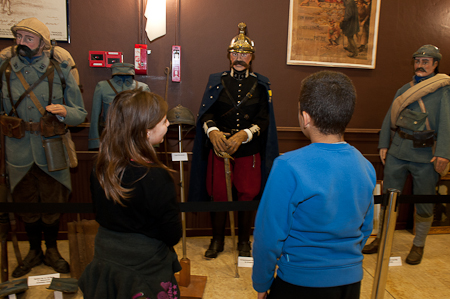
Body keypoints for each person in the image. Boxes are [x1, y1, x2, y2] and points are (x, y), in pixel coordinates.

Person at [252, 71, 375, 299]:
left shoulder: (288, 166)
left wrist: (262, 282)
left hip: (299, 281)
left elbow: (268, 234)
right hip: (350, 282)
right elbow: (366, 227)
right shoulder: (365, 165)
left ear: (305, 117)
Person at [0, 17, 87, 277]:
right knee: (26, 206)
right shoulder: (5, 69)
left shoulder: (60, 68)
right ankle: (34, 251)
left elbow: (79, 113)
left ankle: (51, 250)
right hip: (17, 149)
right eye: (19, 37)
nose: (22, 43)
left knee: (52, 205)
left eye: (29, 38)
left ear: (43, 42)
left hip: (52, 148)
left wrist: (64, 112)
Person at [79, 90, 182, 298]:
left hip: (107, 256)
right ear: (145, 131)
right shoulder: (156, 176)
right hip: (144, 266)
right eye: (163, 121)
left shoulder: (100, 165)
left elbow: (101, 213)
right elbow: (172, 234)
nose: (168, 125)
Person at [188, 22, 279, 259]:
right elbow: (206, 113)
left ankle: (243, 242)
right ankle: (217, 239)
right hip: (220, 149)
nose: (239, 57)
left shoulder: (261, 85)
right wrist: (214, 133)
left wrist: (244, 134)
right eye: (236, 53)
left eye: (244, 54)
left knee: (248, 194)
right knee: (218, 194)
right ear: (229, 55)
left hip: (249, 150)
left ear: (252, 57)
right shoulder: (216, 81)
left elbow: (263, 118)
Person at [363, 45, 450, 265]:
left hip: (426, 155)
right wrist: (384, 144)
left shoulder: (443, 89)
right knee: (388, 200)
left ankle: (418, 244)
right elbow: (389, 115)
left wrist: (443, 153)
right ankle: (383, 239)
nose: (420, 65)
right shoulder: (405, 89)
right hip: (399, 151)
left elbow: (447, 123)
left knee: (424, 202)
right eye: (418, 61)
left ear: (435, 64)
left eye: (426, 61)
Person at [88, 62, 151, 149]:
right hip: (111, 139)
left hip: (135, 138)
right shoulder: (102, 87)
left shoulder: (143, 88)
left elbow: (149, 116)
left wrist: (151, 141)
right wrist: (95, 141)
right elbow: (95, 115)